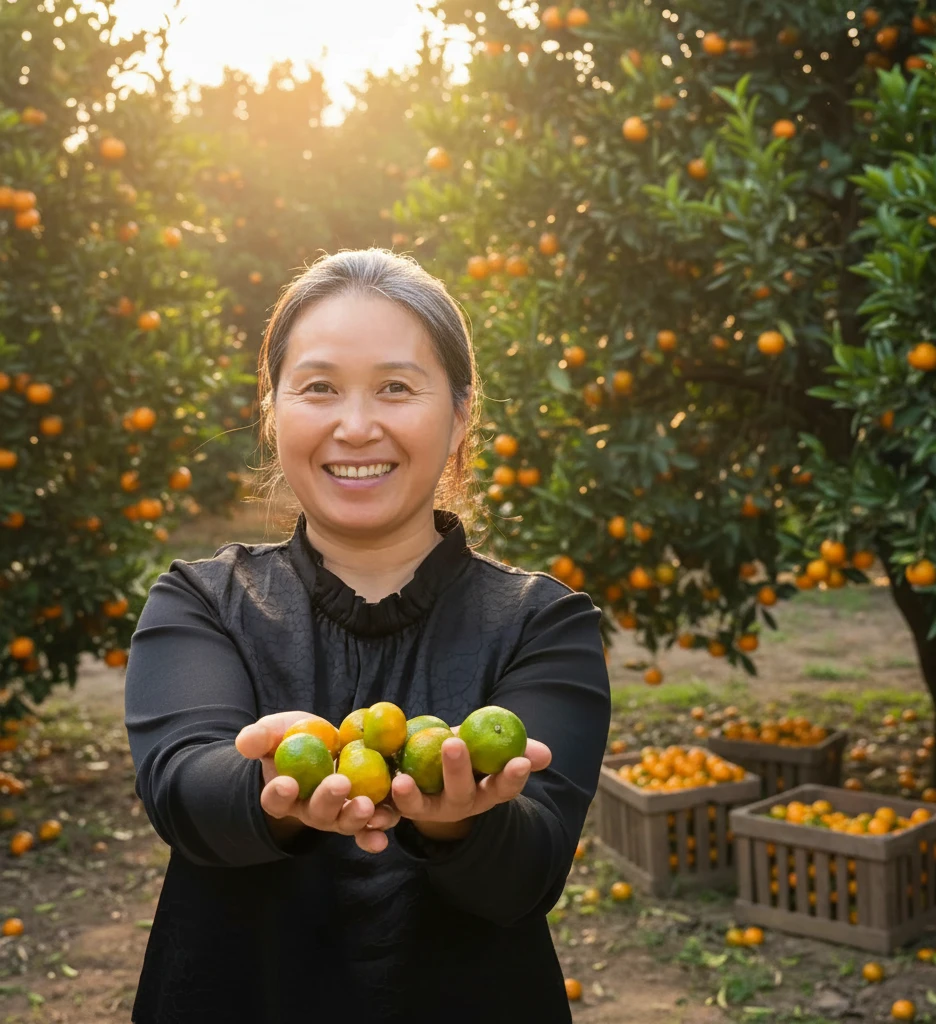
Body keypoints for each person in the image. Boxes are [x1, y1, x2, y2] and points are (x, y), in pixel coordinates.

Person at [124, 248, 612, 1022]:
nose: (356, 427)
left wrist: (456, 822)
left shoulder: (542, 623)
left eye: (395, 387)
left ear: (459, 416)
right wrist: (275, 793)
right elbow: (183, 792)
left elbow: (528, 871)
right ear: (274, 410)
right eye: (319, 388)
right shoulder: (202, 602)